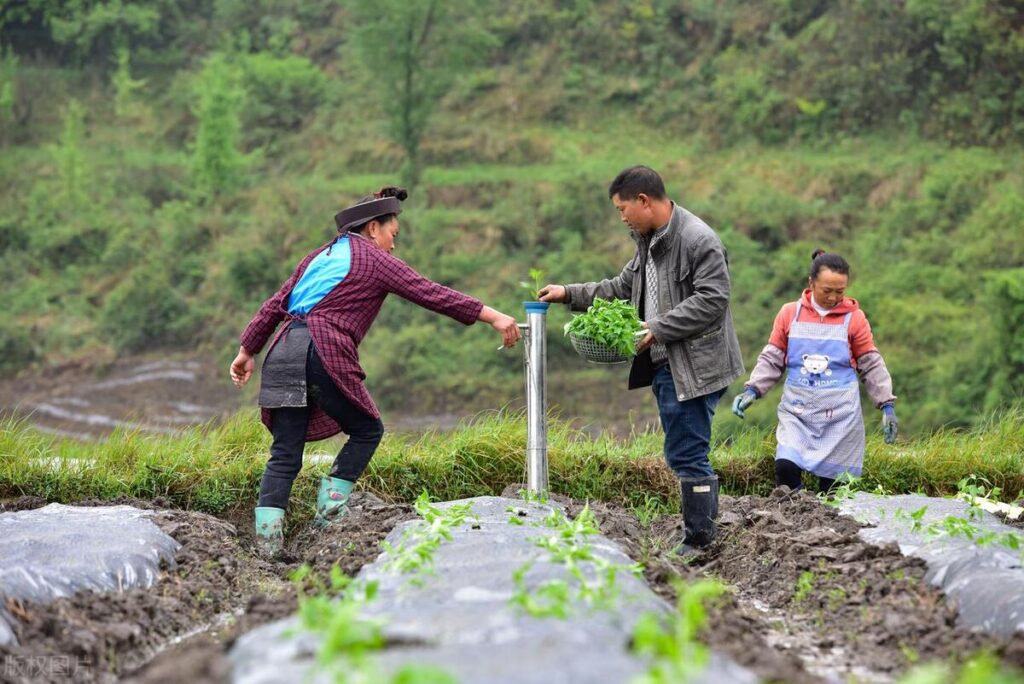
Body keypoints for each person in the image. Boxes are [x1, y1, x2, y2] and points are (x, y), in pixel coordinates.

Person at [230, 186, 520, 557]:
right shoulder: (372, 259)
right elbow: (429, 292)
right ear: (372, 229)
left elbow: (275, 304)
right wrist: (493, 316)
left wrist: (246, 351)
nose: (393, 245)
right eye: (392, 235)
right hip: (322, 348)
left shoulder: (318, 255)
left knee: (285, 451)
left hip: (284, 350)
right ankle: (327, 518)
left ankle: (267, 545)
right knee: (368, 430)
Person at [539, 165, 744, 555]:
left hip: (697, 365)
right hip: (669, 361)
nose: (621, 218)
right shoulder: (648, 242)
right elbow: (621, 288)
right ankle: (700, 534)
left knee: (687, 451)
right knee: (683, 449)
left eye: (622, 209)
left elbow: (714, 300)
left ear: (644, 201)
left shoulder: (699, 241)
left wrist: (659, 327)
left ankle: (700, 541)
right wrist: (569, 293)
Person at [731, 250, 898, 493]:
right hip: (798, 412)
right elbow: (773, 357)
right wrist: (753, 389)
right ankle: (794, 523)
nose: (833, 298)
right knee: (786, 469)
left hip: (840, 416)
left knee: (835, 493)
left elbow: (870, 363)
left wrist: (886, 404)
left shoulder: (855, 318)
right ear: (811, 284)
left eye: (839, 292)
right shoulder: (790, 313)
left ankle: (829, 529)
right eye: (826, 291)